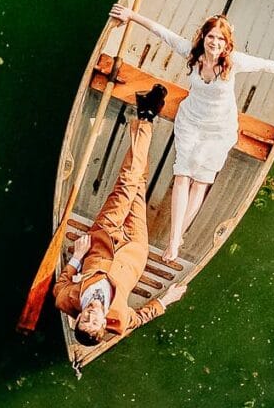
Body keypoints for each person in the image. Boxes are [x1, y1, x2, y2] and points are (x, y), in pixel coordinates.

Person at [109, 4, 274, 267]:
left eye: (220, 39)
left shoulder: (234, 62)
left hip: (219, 129)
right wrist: (131, 15)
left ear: (227, 44)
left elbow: (265, 65)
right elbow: (162, 32)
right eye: (211, 37)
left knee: (201, 181)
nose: (214, 43)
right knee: (182, 175)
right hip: (192, 121)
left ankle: (176, 238)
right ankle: (174, 241)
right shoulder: (192, 54)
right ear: (203, 37)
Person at [53, 83, 189, 345]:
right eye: (95, 321)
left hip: (103, 235)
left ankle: (147, 117)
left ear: (78, 317)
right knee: (137, 182)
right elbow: (142, 316)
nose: (91, 314)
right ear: (103, 324)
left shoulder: (65, 300)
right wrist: (167, 299)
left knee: (126, 182)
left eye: (84, 318)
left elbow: (62, 282)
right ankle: (145, 114)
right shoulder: (120, 319)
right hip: (135, 248)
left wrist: (78, 257)